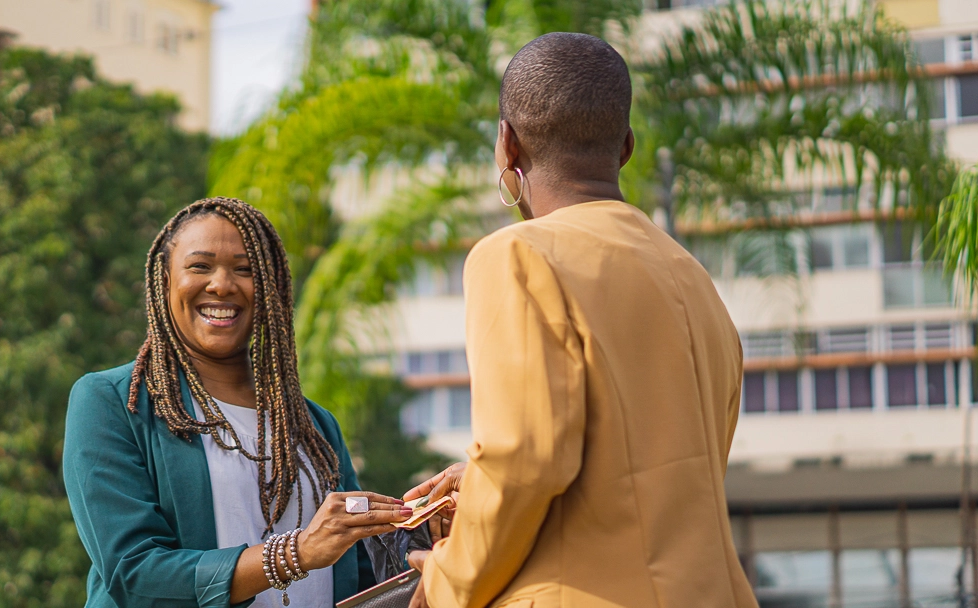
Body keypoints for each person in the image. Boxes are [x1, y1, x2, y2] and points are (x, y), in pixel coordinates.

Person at [404, 33, 758, 607]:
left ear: (507, 146)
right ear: (625, 147)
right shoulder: (691, 276)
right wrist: (478, 472)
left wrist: (447, 579)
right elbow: (663, 471)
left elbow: (526, 458)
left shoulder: (516, 256)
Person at [64, 198, 412, 608]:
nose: (223, 284)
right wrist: (295, 553)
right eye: (200, 266)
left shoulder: (312, 425)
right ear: (163, 280)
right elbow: (134, 572)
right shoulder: (115, 403)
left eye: (246, 270)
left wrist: (433, 545)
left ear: (271, 286)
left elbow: (359, 577)